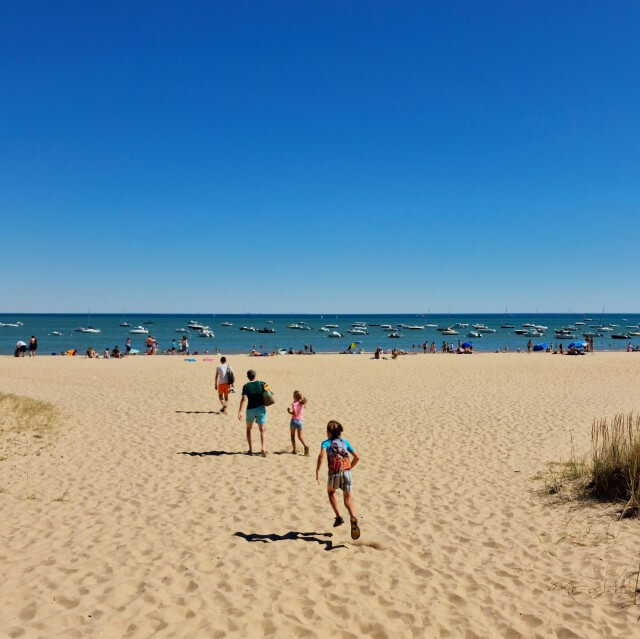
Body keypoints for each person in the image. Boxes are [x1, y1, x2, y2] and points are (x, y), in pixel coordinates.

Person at [315, 420, 360, 539]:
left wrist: (318, 471)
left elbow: (321, 456)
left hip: (334, 474)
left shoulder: (325, 443)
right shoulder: (345, 442)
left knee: (331, 492)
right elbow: (357, 457)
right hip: (347, 473)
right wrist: (350, 467)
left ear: (329, 433)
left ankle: (339, 517)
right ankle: (353, 517)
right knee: (348, 498)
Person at [237, 369, 273, 457]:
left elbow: (244, 399)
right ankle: (263, 448)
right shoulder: (262, 383)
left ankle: (250, 449)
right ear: (255, 375)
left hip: (250, 410)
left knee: (249, 429)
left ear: (248, 377)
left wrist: (240, 411)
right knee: (262, 429)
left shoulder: (246, 386)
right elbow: (271, 392)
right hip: (261, 409)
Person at [287, 390, 309, 455]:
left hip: (294, 421)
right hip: (300, 421)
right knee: (300, 437)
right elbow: (304, 406)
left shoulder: (294, 403)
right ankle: (306, 446)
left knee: (292, 436)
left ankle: (294, 450)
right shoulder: (302, 403)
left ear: (294, 397)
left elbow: (295, 413)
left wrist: (289, 412)